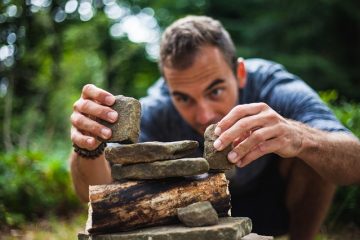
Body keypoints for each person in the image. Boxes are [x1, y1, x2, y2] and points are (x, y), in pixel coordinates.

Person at [69, 16, 360, 239]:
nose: (204, 114)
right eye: (183, 97)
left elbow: (354, 162)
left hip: (275, 203)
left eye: (216, 90)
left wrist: (300, 138)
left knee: (315, 148)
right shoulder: (157, 108)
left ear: (240, 73)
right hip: (192, 211)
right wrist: (89, 146)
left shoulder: (274, 86)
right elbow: (95, 192)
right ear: (168, 88)